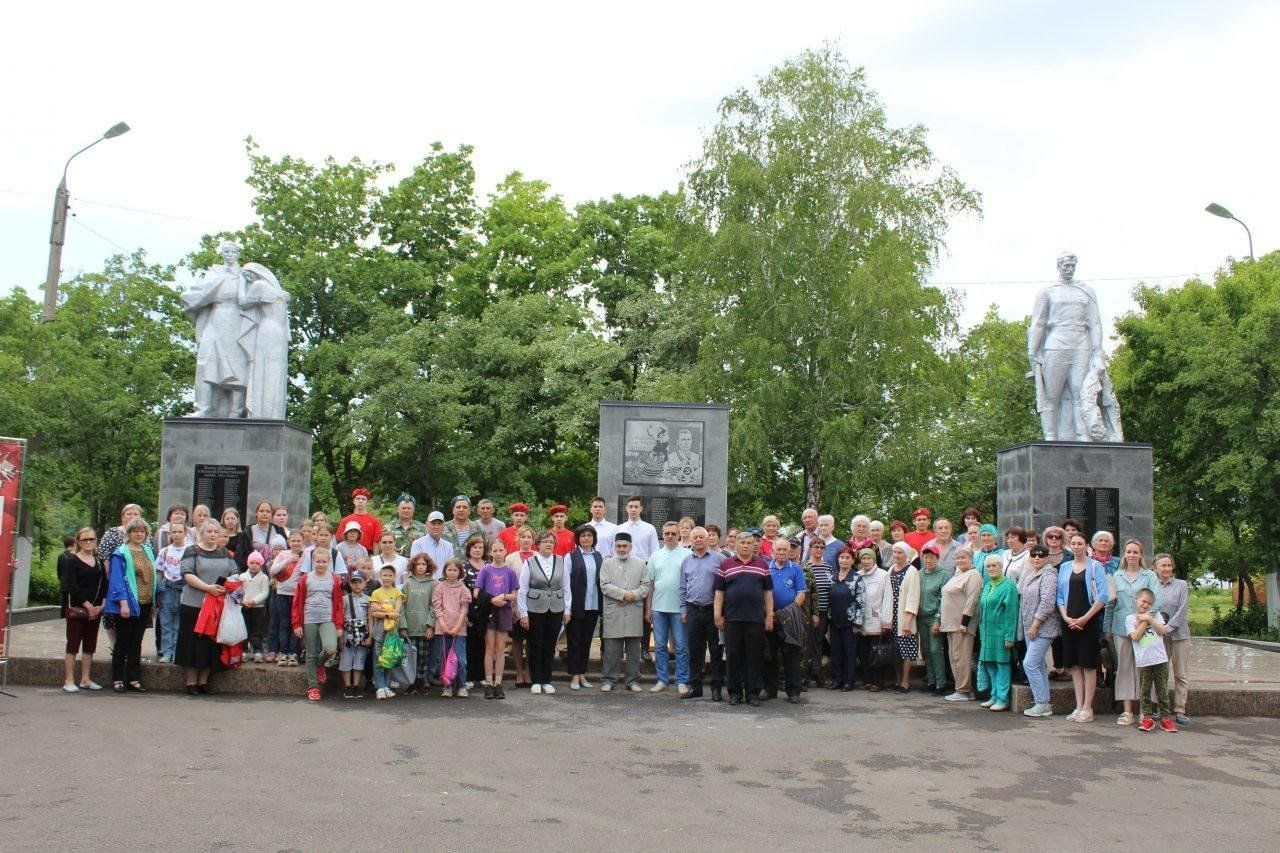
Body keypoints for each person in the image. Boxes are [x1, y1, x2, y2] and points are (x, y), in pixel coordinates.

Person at [1027, 251, 1122, 442]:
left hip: (1081, 344)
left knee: (1081, 394)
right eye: (1066, 266)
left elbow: (1095, 324)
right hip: (1056, 343)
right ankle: (1051, 437)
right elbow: (1038, 322)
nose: (1069, 269)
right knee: (1051, 395)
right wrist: (1032, 351)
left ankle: (1082, 436)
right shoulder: (1047, 292)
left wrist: (1098, 353)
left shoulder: (1086, 291)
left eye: (1072, 266)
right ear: (1059, 266)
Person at [714, 531, 774, 707]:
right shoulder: (725, 565)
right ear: (737, 544)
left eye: (749, 543)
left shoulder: (763, 565)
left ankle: (753, 693)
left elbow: (768, 593)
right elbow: (719, 592)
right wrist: (717, 614)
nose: (746, 546)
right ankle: (734, 693)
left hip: (755, 620)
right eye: (743, 543)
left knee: (754, 658)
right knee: (733, 658)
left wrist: (769, 616)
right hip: (732, 619)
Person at [1105, 538, 1159, 727]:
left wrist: (1144, 620)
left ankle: (1145, 711)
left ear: (1141, 555)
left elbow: (1157, 602)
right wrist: (1107, 628)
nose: (1131, 555)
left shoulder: (1150, 576)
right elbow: (1110, 604)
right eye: (1128, 552)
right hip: (1121, 629)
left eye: (1135, 552)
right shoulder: (1116, 576)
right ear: (1124, 554)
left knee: (1145, 667)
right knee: (1125, 667)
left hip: (1144, 629)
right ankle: (1127, 711)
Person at [1058, 533, 1112, 722]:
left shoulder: (1096, 567)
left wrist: (1085, 618)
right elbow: (1060, 596)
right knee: (1074, 666)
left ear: (1087, 545)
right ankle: (1078, 705)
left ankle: (1088, 708)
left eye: (1080, 543)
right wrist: (1065, 617)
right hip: (1069, 621)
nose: (1076, 546)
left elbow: (1103, 596)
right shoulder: (1064, 567)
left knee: (1088, 665)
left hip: (1087, 622)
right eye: (1073, 543)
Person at [177, 520, 234, 695]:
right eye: (209, 531)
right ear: (201, 532)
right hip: (194, 604)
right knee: (192, 643)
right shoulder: (192, 551)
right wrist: (208, 588)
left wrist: (229, 586)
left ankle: (204, 681)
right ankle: (191, 681)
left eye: (216, 532)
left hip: (217, 605)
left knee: (211, 644)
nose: (213, 534)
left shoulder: (225, 553)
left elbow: (235, 573)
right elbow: (187, 574)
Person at [104, 518, 156, 694]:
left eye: (142, 531)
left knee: (137, 642)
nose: (139, 534)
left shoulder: (148, 550)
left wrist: (154, 602)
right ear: (129, 533)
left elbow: (152, 576)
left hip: (145, 603)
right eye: (136, 531)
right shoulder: (121, 553)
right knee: (123, 642)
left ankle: (134, 678)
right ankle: (118, 678)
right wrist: (123, 604)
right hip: (128, 604)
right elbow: (117, 580)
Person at [518, 531, 572, 695]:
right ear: (538, 544)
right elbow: (523, 589)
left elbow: (566, 587)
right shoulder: (530, 562)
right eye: (545, 541)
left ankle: (547, 680)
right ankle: (536, 680)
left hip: (556, 607)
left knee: (550, 645)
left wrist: (568, 609)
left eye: (551, 542)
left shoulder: (561, 561)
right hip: (535, 607)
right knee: (535, 644)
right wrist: (523, 613)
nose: (548, 544)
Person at [598, 532, 650, 692]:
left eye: (624, 546)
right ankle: (609, 680)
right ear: (614, 547)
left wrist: (632, 595)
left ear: (631, 547)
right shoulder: (607, 563)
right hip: (615, 609)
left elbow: (646, 586)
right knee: (612, 649)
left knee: (634, 649)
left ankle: (632, 680)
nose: (621, 549)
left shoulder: (641, 564)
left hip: (633, 610)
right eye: (619, 546)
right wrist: (623, 594)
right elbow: (604, 585)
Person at [292, 548, 344, 702]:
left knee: (330, 648)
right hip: (309, 619)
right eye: (317, 561)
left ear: (329, 562)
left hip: (327, 618)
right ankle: (313, 687)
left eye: (324, 561)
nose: (321, 564)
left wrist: (339, 625)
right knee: (311, 653)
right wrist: (296, 624)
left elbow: (339, 603)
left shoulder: (334, 579)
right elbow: (296, 603)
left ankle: (319, 665)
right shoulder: (305, 579)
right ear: (312, 562)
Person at [58, 527, 107, 692]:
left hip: (96, 609)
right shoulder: (71, 560)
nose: (88, 542)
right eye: (85, 540)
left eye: (91, 539)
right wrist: (88, 606)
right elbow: (72, 586)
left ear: (96, 541)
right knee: (73, 644)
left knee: (90, 644)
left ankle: (85, 678)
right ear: (78, 542)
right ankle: (69, 679)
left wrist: (102, 605)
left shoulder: (99, 561)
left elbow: (104, 584)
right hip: (78, 609)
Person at [680, 526, 725, 701]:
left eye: (701, 537)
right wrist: (683, 610)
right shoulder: (686, 561)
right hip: (693, 610)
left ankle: (716, 688)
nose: (698, 540)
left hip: (713, 611)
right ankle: (695, 686)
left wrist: (721, 613)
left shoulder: (720, 559)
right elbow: (682, 587)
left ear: (708, 539)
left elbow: (724, 587)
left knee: (715, 651)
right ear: (691, 540)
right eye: (695, 537)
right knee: (695, 651)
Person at [647, 521, 692, 694]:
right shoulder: (655, 556)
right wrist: (648, 609)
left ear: (679, 534)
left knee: (681, 646)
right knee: (659, 646)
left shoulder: (687, 555)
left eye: (673, 533)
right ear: (663, 535)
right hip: (659, 608)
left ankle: (682, 680)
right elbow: (650, 584)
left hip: (679, 609)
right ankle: (662, 679)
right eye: (667, 533)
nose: (670, 536)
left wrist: (686, 608)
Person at [1018, 545, 1062, 718]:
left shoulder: (1049, 575)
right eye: (1033, 555)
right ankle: (1043, 702)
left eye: (1041, 555)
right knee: (1040, 665)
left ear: (1047, 557)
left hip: (1043, 628)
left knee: (1029, 664)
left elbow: (1047, 603)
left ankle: (1041, 702)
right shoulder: (1031, 573)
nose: (1037, 558)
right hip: (1030, 627)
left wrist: (1036, 624)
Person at [764, 537, 807, 703]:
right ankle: (770, 690)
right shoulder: (766, 567)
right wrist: (770, 613)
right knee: (770, 655)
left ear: (789, 551)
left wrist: (788, 612)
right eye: (778, 550)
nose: (781, 553)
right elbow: (762, 592)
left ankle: (793, 691)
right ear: (772, 551)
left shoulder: (796, 569)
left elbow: (801, 593)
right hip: (770, 617)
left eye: (784, 550)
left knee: (791, 655)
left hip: (789, 619)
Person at [1128, 588, 1177, 732]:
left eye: (1149, 603)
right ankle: (1147, 717)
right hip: (1144, 661)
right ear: (1136, 600)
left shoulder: (1156, 616)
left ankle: (1166, 718)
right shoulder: (1130, 619)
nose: (1145, 605)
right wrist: (1144, 620)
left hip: (1160, 659)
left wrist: (1149, 618)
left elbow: (1162, 631)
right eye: (1143, 601)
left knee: (1162, 690)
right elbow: (1135, 636)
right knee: (1145, 690)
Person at [476, 539, 519, 699]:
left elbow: (515, 594)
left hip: (504, 612)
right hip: (489, 612)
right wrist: (492, 599)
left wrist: (504, 597)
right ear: (490, 552)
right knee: (489, 648)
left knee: (500, 648)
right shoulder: (485, 571)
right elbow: (477, 592)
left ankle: (498, 683)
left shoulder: (510, 572)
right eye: (495, 551)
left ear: (505, 551)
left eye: (501, 550)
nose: (498, 553)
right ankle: (488, 683)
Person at [977, 554, 1019, 711]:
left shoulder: (1008, 586)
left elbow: (1011, 613)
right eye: (988, 566)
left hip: (1001, 633)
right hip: (988, 633)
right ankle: (994, 696)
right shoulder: (988, 585)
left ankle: (1003, 699)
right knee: (990, 665)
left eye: (994, 565)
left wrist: (1009, 637)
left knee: (1002, 665)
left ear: (1001, 567)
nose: (991, 569)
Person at [1154, 554, 1191, 726]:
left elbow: (1182, 610)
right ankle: (1159, 707)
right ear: (1155, 568)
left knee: (1180, 673)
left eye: (1169, 565)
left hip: (1179, 635)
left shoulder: (1181, 585)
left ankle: (1180, 709)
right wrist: (1158, 628)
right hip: (1158, 636)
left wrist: (1168, 628)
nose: (1166, 568)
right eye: (1163, 565)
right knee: (1160, 672)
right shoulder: (1152, 585)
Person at [941, 548, 982, 701]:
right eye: (957, 558)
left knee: (961, 657)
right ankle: (963, 689)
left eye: (963, 557)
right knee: (954, 657)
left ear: (971, 558)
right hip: (950, 624)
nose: (959, 560)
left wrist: (964, 622)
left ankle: (963, 690)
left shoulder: (974, 575)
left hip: (961, 625)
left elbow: (972, 600)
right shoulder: (958, 574)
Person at [566, 525, 603, 690]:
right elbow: (566, 584)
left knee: (586, 641)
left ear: (593, 538)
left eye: (589, 535)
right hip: (576, 605)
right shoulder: (570, 556)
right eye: (583, 536)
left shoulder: (599, 556)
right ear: (578, 539)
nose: (586, 538)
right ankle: (574, 675)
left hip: (593, 605)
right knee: (574, 641)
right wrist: (567, 608)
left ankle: (582, 674)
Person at [882, 541, 920, 693]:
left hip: (905, 617)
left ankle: (905, 682)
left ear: (906, 554)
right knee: (896, 651)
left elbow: (913, 597)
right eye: (895, 552)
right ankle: (897, 680)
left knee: (906, 651)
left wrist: (908, 620)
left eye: (900, 553)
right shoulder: (891, 569)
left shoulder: (912, 571)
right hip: (893, 617)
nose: (896, 555)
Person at [826, 547, 864, 692]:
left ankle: (849, 681)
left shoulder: (856, 578)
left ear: (853, 560)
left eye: (847, 557)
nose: (844, 560)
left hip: (850, 623)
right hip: (834, 621)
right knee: (835, 652)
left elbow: (861, 602)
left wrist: (857, 623)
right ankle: (837, 679)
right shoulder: (833, 577)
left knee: (849, 653)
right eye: (841, 557)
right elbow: (829, 600)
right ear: (838, 559)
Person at [433, 558, 472, 698]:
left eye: (455, 570)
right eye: (449, 570)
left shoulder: (463, 589)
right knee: (444, 657)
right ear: (445, 571)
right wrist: (443, 625)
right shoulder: (439, 588)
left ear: (459, 572)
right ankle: (447, 686)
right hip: (442, 629)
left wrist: (457, 627)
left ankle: (461, 686)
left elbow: (464, 610)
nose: (452, 572)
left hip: (459, 630)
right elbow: (437, 608)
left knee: (460, 659)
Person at [369, 564, 407, 700]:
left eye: (390, 575)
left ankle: (386, 685)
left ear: (394, 577)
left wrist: (382, 609)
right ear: (380, 576)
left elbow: (397, 613)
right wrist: (386, 612)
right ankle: (380, 686)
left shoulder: (397, 593)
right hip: (379, 631)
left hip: (392, 632)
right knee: (379, 659)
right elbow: (374, 613)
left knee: (389, 658)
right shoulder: (376, 593)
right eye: (385, 575)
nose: (387, 578)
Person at [504, 526, 536, 688]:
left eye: (529, 537)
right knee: (517, 640)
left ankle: (529, 672)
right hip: (515, 605)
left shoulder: (538, 557)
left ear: (533, 540)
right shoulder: (510, 558)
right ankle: (518, 672)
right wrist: (511, 606)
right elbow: (507, 582)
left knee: (532, 641)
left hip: (535, 605)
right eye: (523, 537)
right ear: (518, 539)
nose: (526, 540)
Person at [402, 554, 438, 695]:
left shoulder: (432, 584)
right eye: (418, 564)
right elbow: (401, 607)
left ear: (428, 566)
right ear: (413, 566)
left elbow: (434, 606)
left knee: (423, 657)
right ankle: (411, 683)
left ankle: (421, 682)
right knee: (410, 658)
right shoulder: (408, 583)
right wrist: (403, 626)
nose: (421, 567)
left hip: (424, 629)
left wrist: (430, 625)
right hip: (410, 628)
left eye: (423, 564)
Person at [153, 519, 188, 664]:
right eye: (174, 531)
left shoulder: (190, 550)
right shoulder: (165, 551)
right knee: (166, 623)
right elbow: (159, 572)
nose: (177, 534)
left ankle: (177, 651)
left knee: (179, 623)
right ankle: (167, 651)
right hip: (167, 588)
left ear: (185, 533)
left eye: (180, 531)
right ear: (170, 533)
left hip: (183, 589)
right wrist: (157, 591)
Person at [918, 544, 950, 697]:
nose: (928, 560)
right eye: (926, 557)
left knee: (935, 650)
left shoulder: (944, 575)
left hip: (934, 618)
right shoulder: (919, 573)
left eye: (932, 557)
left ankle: (941, 683)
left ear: (937, 558)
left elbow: (944, 599)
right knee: (926, 651)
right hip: (921, 618)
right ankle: (931, 681)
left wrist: (938, 619)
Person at [269, 532, 305, 666]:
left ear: (303, 541)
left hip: (297, 595)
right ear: (289, 542)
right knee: (284, 623)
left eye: (298, 540)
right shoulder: (283, 554)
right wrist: (288, 561)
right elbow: (273, 570)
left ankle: (293, 652)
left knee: (295, 624)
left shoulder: (306, 555)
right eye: (293, 540)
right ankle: (283, 652)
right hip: (282, 593)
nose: (296, 543)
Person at [801, 537, 833, 688]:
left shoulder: (828, 567)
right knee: (807, 643)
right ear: (810, 548)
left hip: (824, 611)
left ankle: (817, 671)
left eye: (821, 547)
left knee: (818, 642)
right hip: (809, 612)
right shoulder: (805, 567)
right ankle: (805, 675)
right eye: (816, 547)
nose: (819, 549)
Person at [856, 546, 889, 691]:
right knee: (864, 653)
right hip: (861, 620)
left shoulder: (883, 575)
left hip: (877, 619)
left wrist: (886, 620)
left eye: (869, 558)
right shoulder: (857, 575)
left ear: (874, 559)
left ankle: (878, 682)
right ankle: (867, 680)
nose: (866, 561)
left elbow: (888, 598)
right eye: (863, 558)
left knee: (877, 652)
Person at [339, 573, 371, 699]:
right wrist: (340, 637)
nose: (357, 585)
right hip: (348, 632)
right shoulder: (345, 599)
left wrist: (370, 636)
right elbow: (341, 618)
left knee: (359, 659)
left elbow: (370, 619)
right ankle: (347, 686)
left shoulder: (368, 599)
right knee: (346, 658)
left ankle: (356, 685)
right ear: (350, 584)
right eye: (354, 582)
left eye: (360, 582)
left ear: (365, 583)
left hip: (362, 633)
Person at [239, 551, 270, 662]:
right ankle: (244, 651)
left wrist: (254, 601)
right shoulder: (242, 576)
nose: (254, 565)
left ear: (261, 564)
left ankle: (258, 651)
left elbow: (265, 593)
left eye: (257, 563)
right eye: (251, 562)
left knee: (257, 630)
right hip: (244, 607)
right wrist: (242, 602)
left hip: (258, 608)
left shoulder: (264, 577)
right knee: (244, 629)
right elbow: (239, 591)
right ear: (248, 563)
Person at [410, 511, 454, 579]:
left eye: (439, 524)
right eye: (433, 523)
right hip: (424, 584)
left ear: (443, 526)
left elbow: (451, 568)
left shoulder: (448, 546)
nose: (436, 526)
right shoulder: (418, 544)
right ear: (426, 525)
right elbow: (416, 569)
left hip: (444, 586)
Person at [338, 487, 383, 553]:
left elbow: (376, 542)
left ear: (367, 502)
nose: (360, 501)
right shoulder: (345, 520)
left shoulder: (375, 521)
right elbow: (340, 539)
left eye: (363, 499)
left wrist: (375, 558)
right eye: (358, 498)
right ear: (354, 501)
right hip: (348, 554)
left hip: (368, 554)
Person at [617, 496, 661, 561]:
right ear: (626, 508)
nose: (633, 509)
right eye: (631, 507)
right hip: (623, 565)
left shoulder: (650, 529)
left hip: (644, 566)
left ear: (641, 509)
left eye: (636, 507)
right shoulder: (619, 529)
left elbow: (655, 551)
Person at [385, 494, 427, 558]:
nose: (406, 510)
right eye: (403, 508)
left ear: (413, 510)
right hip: (394, 565)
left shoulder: (423, 528)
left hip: (416, 565)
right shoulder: (388, 528)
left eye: (409, 508)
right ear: (398, 509)